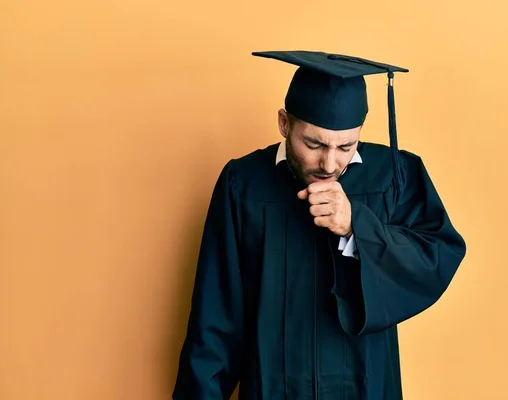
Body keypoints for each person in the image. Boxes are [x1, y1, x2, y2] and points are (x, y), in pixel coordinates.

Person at [172, 50, 467, 399]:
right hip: (274, 387)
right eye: (313, 144)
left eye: (346, 146)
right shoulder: (244, 183)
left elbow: (435, 256)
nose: (329, 163)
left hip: (364, 385)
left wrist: (358, 226)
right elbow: (216, 310)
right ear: (284, 123)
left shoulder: (393, 175)